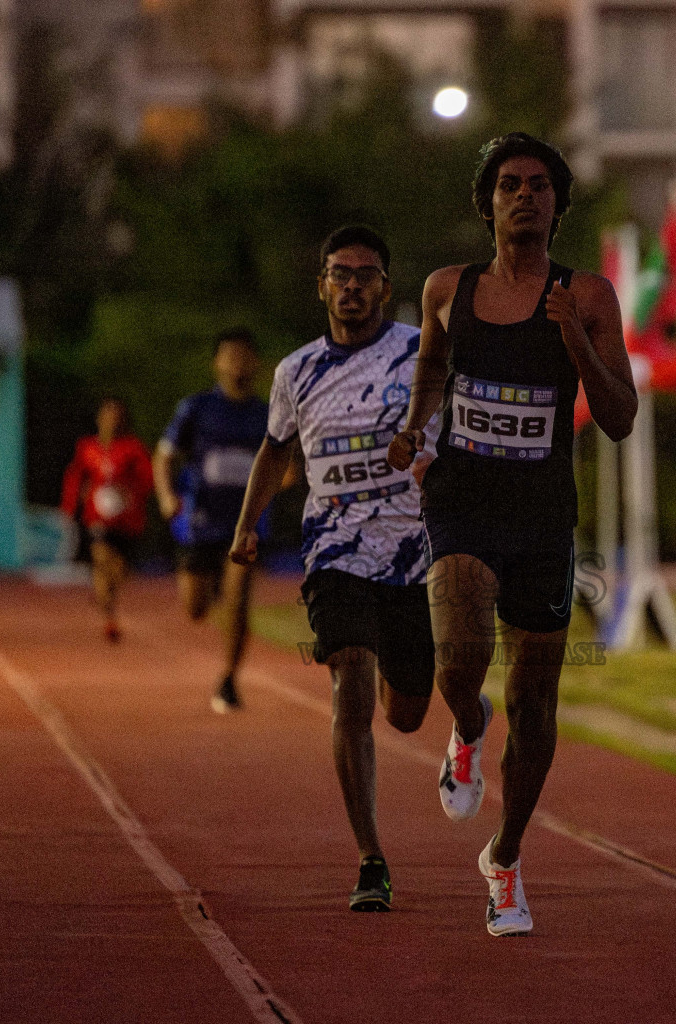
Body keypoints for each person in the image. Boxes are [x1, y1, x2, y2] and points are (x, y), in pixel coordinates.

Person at [387, 133, 637, 936]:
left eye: (537, 185)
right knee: (457, 661)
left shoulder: (588, 296)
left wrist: (573, 344)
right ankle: (465, 724)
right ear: (488, 202)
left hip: (541, 517)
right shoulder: (445, 289)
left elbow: (623, 417)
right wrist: (413, 426)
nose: (523, 195)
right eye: (508, 185)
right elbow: (431, 368)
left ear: (558, 204)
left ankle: (505, 856)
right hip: (460, 498)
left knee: (535, 706)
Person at [230, 225, 438, 912]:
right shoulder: (296, 372)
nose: (352, 286)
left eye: (365, 275)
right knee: (351, 678)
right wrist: (248, 525)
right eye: (339, 274)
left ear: (385, 287)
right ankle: (370, 858)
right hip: (335, 552)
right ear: (322, 285)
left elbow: (449, 444)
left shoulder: (417, 354)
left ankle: (418, 690)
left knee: (405, 714)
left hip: (412, 555)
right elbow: (273, 450)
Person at [154, 328, 272, 713]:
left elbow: (286, 462)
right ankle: (215, 589)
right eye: (230, 355)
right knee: (196, 609)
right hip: (200, 521)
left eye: (244, 355)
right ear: (217, 363)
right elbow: (165, 456)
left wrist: (286, 479)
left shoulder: (268, 414)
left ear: (255, 363)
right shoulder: (196, 408)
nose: (237, 362)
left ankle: (229, 679)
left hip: (246, 524)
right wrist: (166, 495)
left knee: (239, 600)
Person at [61, 397, 155, 643]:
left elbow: (148, 478)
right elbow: (76, 478)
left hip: (127, 520)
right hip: (98, 518)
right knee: (102, 559)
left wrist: (130, 491)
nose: (112, 421)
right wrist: (70, 507)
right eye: (107, 415)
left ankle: (105, 594)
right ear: (99, 418)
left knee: (119, 571)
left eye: (117, 416)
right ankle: (110, 619)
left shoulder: (132, 448)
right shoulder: (87, 448)